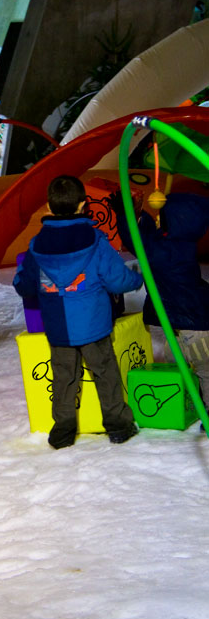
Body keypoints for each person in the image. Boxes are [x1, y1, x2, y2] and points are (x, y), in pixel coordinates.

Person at [14, 175, 143, 449]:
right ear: (84, 205)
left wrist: (24, 282)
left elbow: (25, 285)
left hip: (59, 328)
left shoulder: (37, 246)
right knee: (105, 372)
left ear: (48, 206)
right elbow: (117, 280)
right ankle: (118, 426)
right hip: (93, 325)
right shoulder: (95, 240)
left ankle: (62, 432)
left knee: (63, 378)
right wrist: (136, 280)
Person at [109, 189, 209, 403]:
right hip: (192, 321)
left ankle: (204, 409)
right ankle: (189, 405)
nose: (157, 217)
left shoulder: (166, 252)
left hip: (193, 326)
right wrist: (138, 213)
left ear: (173, 221)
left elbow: (139, 242)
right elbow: (150, 238)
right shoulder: (181, 244)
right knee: (185, 365)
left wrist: (125, 215)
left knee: (201, 369)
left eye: (162, 215)